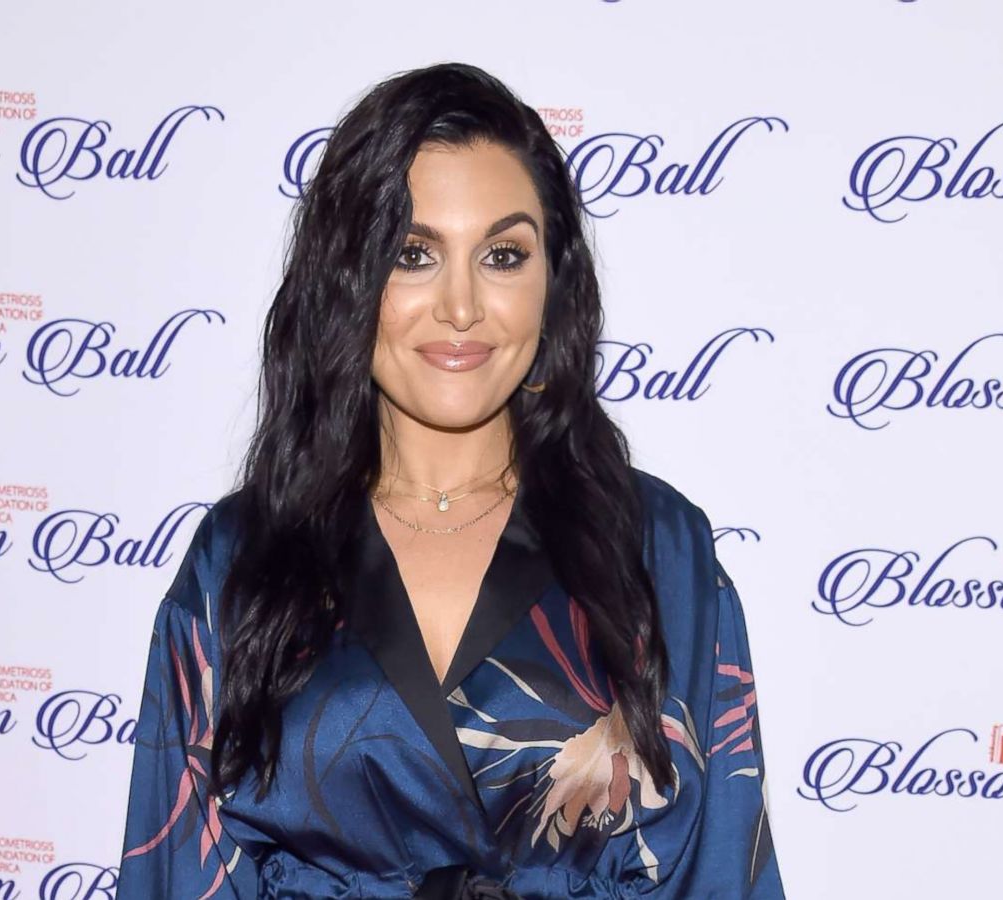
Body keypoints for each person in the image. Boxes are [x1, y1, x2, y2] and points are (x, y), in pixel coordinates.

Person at [115, 61, 786, 899]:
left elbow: (719, 870)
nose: (462, 306)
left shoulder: (659, 551)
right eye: (414, 253)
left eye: (503, 255)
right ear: (348, 279)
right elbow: (176, 869)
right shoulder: (241, 561)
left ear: (554, 284)